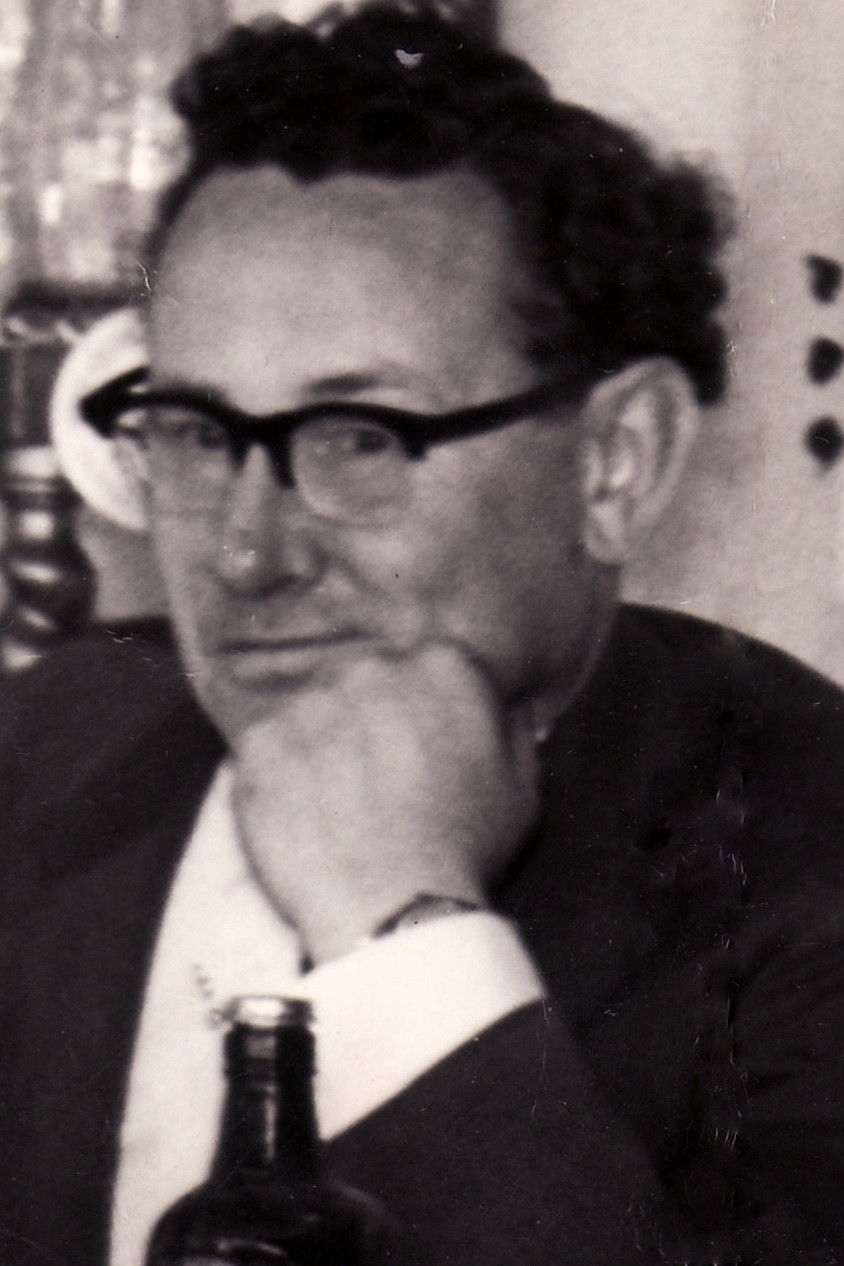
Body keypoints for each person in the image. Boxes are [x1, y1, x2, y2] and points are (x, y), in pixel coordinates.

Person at [2, 4, 844, 1264]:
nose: (247, 556)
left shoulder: (803, 861)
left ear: (617, 460)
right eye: (195, 434)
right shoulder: (44, 747)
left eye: (359, 439)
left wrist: (410, 942)